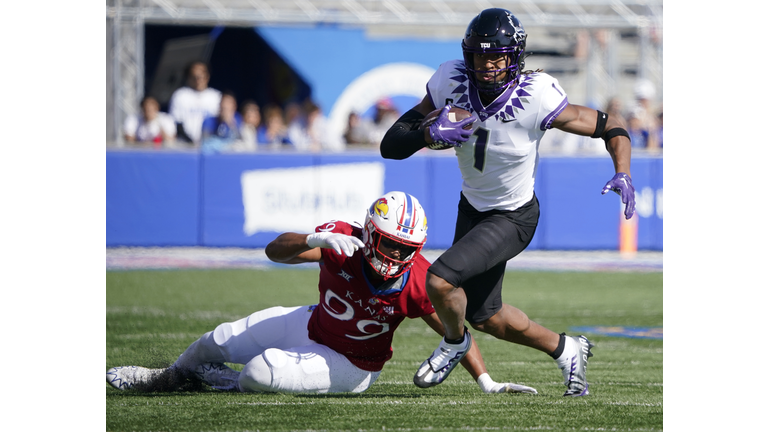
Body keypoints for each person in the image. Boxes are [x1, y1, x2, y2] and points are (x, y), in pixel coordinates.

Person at [380, 8, 636, 397]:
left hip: (513, 216)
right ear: (469, 56)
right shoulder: (450, 79)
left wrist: (623, 170)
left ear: (515, 58)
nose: (489, 65)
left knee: (440, 279)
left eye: (498, 56)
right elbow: (391, 144)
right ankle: (567, 349)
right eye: (481, 56)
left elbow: (609, 125)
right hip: (472, 208)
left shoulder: (536, 95)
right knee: (486, 316)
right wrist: (427, 133)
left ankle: (453, 342)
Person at [106, 192, 537, 395]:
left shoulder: (419, 279)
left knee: (260, 372)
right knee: (218, 338)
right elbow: (274, 251)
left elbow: (453, 332)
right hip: (312, 324)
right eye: (388, 243)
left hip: (352, 365)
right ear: (369, 233)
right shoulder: (341, 242)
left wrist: (487, 381)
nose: (394, 255)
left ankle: (219, 383)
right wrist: (313, 238)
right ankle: (164, 375)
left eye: (405, 249)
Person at [168, 61, 222, 146]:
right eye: (194, 77)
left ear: (207, 77)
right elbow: (176, 122)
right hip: (185, 145)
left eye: (201, 77)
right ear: (188, 77)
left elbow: (220, 123)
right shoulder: (180, 95)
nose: (198, 80)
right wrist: (190, 142)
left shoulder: (216, 97)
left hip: (210, 145)